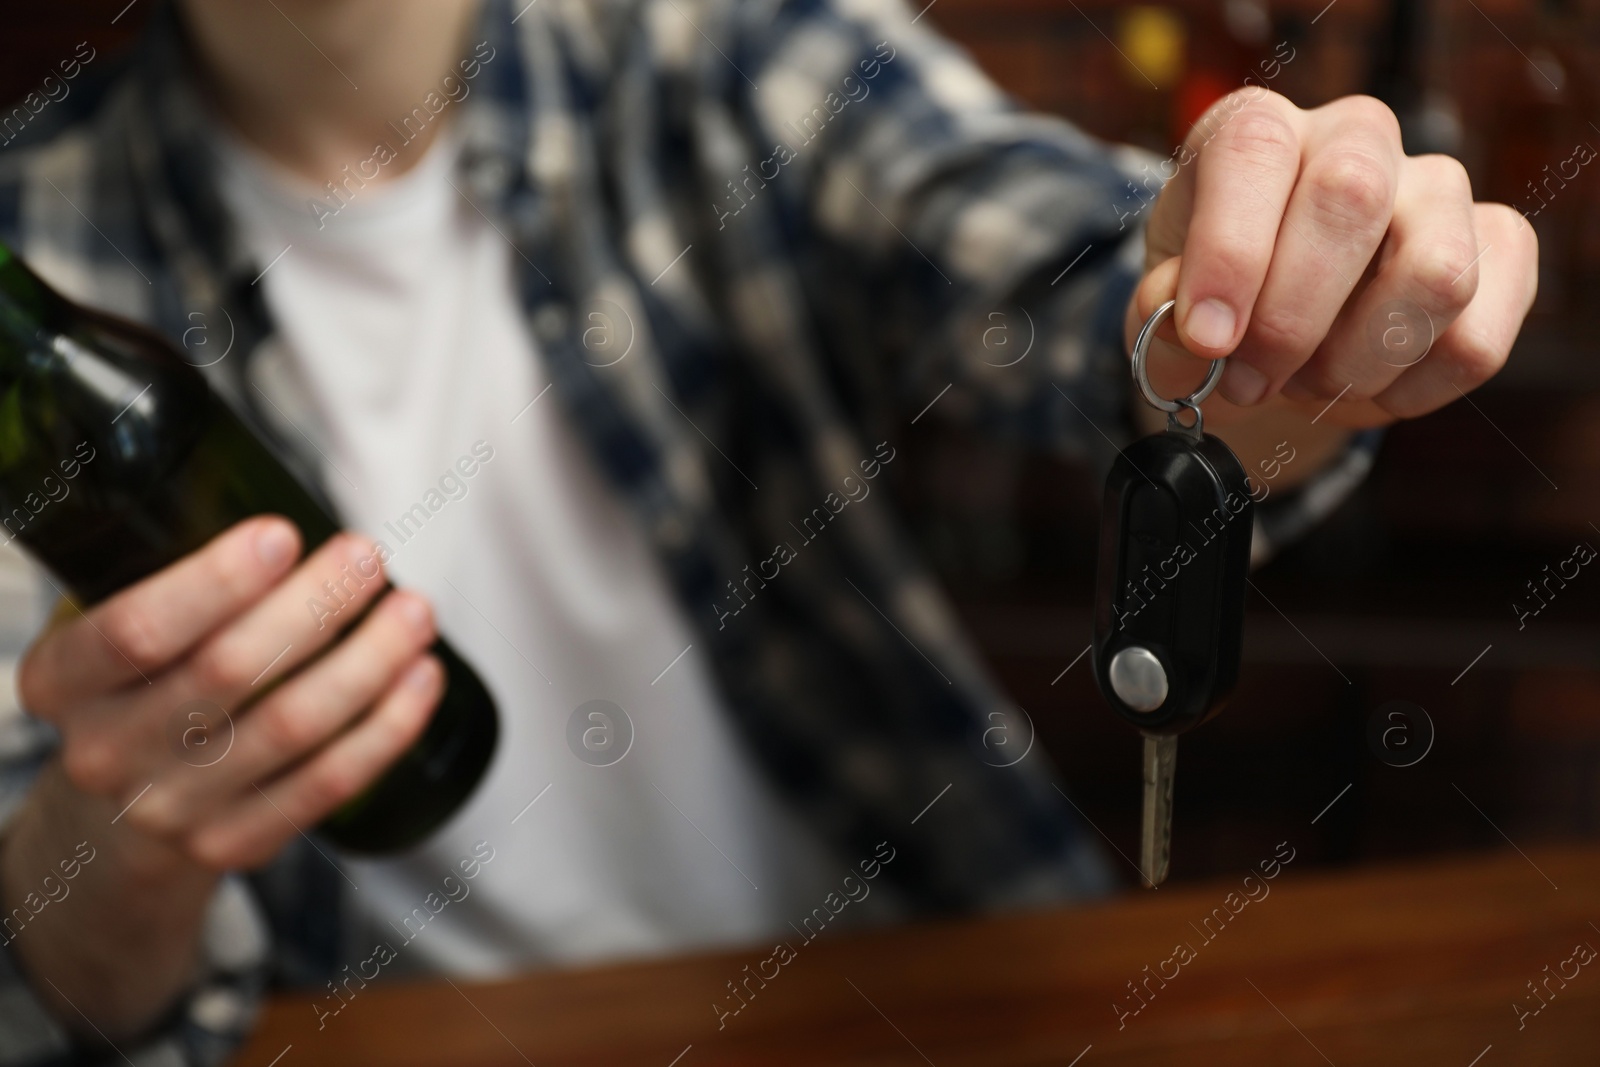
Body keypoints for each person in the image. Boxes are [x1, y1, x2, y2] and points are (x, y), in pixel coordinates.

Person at [0, 0, 1535, 1062]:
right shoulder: (33, 260)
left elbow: (1065, 283)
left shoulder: (723, 48)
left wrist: (1266, 299)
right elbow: (56, 983)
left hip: (924, 1000)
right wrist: (109, 852)